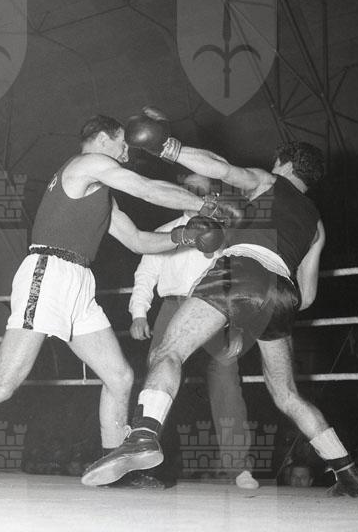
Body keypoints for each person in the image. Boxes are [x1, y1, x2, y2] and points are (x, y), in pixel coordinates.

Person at [0, 114, 234, 483]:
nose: (127, 151)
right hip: (48, 274)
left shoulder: (100, 191)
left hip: (79, 282)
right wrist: (205, 206)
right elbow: (147, 189)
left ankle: (114, 466)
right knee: (3, 383)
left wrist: (183, 236)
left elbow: (137, 241)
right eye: (122, 143)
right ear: (104, 138)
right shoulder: (87, 164)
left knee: (119, 377)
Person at [81, 108, 358, 498]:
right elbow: (307, 298)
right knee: (286, 393)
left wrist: (168, 148)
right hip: (282, 295)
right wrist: (260, 305)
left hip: (241, 271)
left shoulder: (269, 181)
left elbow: (221, 168)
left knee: (169, 351)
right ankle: (349, 473)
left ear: (284, 164)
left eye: (276, 163)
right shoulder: (317, 226)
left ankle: (143, 437)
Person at [129, 173, 258, 489]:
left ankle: (239, 467)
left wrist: (238, 324)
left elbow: (238, 279)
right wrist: (138, 313)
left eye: (201, 189)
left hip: (215, 311)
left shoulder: (227, 234)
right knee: (157, 384)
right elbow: (145, 275)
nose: (195, 194)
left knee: (227, 385)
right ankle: (143, 464)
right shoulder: (165, 232)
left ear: (213, 195)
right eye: (188, 189)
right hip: (171, 308)